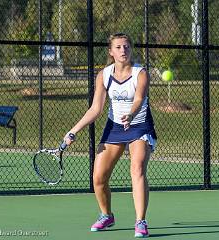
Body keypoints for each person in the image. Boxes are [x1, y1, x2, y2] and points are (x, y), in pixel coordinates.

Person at [63, 32, 157, 238]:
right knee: (98, 178)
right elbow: (96, 109)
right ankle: (106, 215)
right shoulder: (103, 75)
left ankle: (140, 221)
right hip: (114, 127)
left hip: (139, 125)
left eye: (126, 46)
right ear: (111, 52)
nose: (123, 50)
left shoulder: (140, 73)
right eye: (119, 47)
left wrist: (131, 115)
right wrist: (73, 130)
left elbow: (139, 98)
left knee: (137, 169)